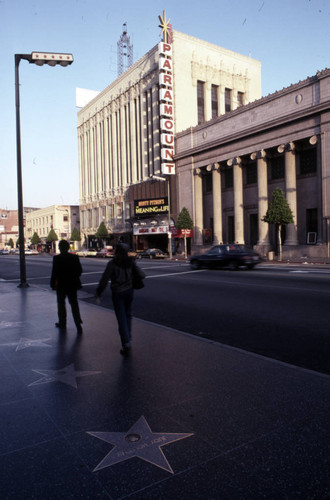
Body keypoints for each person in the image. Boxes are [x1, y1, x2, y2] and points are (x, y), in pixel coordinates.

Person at [96, 243, 145, 356]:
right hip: (129, 291)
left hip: (118, 293)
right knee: (128, 315)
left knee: (121, 318)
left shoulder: (112, 263)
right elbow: (142, 275)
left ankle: (126, 343)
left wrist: (99, 292)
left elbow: (104, 279)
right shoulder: (130, 263)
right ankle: (128, 338)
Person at [50, 240, 83, 334]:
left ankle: (62, 323)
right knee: (74, 304)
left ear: (60, 248)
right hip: (72, 284)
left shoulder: (57, 259)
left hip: (61, 285)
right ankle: (78, 324)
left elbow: (54, 273)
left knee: (61, 304)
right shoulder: (74, 257)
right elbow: (79, 271)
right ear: (68, 247)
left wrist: (52, 284)